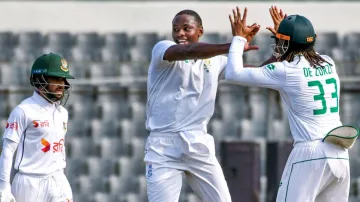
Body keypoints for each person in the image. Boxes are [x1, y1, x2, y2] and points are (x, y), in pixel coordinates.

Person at [226, 6, 350, 202]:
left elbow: (233, 73)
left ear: (286, 43)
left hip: (310, 154)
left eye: (280, 41)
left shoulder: (286, 71)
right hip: (340, 154)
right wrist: (288, 39)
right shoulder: (328, 62)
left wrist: (238, 39)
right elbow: (305, 55)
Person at [144, 9, 261, 202]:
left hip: (198, 143)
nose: (179, 33)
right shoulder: (162, 49)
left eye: (186, 28)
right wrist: (234, 44)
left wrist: (283, 56)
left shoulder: (216, 61)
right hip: (162, 147)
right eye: (175, 29)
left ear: (200, 31)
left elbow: (250, 71)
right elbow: (188, 52)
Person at [0, 53, 75, 202]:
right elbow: (8, 151)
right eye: (55, 79)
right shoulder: (23, 111)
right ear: (40, 80)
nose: (61, 84)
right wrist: (4, 188)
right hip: (29, 183)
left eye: (62, 79)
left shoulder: (62, 113)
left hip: (57, 180)